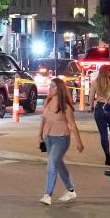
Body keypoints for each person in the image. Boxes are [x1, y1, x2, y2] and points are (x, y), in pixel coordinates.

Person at [37, 77, 82, 205]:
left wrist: (79, 142)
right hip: (48, 138)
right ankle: (70, 190)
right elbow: (44, 119)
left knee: (52, 165)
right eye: (49, 86)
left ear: (60, 89)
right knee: (58, 164)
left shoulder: (65, 106)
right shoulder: (47, 101)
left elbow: (72, 125)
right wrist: (39, 135)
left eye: (53, 86)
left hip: (61, 139)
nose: (50, 88)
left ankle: (47, 194)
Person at [90, 65, 110, 166]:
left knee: (103, 134)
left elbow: (91, 98)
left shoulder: (94, 83)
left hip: (100, 109)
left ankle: (107, 156)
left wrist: (92, 107)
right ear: (109, 72)